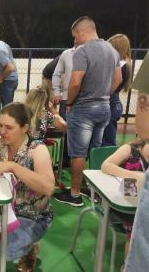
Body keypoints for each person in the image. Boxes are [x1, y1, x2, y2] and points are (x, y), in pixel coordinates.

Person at [0, 102, 55, 271]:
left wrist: (14, 167)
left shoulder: (37, 149)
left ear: (25, 128)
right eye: (0, 125)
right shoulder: (0, 142)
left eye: (9, 127)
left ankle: (30, 247)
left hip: (32, 217)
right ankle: (1, 236)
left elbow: (48, 188)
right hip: (4, 210)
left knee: (2, 250)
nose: (2, 131)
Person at [53, 16, 122, 207]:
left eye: (75, 35)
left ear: (82, 32)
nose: (74, 40)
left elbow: (75, 82)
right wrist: (104, 94)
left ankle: (74, 194)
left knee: (78, 153)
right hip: (104, 107)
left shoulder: (82, 51)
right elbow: (118, 79)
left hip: (83, 108)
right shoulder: (112, 50)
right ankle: (92, 190)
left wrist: (70, 102)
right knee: (95, 150)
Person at [101, 139, 148, 267]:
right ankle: (128, 265)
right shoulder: (131, 149)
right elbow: (106, 165)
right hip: (123, 202)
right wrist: (133, 175)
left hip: (142, 202)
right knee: (136, 229)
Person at [124, 50, 149, 271]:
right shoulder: (131, 150)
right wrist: (136, 177)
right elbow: (105, 166)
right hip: (129, 195)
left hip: (133, 196)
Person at [101, 34, 132, 146]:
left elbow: (113, 83)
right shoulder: (123, 64)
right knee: (105, 137)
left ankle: (107, 160)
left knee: (107, 140)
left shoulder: (122, 65)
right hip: (113, 103)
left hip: (111, 103)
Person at [0, 40, 18, 110]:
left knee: (7, 109)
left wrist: (1, 78)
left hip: (7, 81)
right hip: (12, 79)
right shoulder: (1, 43)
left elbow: (10, 68)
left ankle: (3, 120)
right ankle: (0, 120)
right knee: (3, 106)